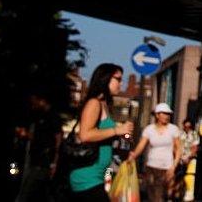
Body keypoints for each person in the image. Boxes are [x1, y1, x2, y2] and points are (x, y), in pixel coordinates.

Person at [67, 63, 135, 201]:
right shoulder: (94, 103)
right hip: (87, 177)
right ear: (105, 78)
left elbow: (102, 137)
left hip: (97, 177)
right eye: (118, 79)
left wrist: (122, 141)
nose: (121, 84)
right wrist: (117, 130)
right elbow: (85, 135)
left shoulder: (104, 105)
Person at [127, 103, 181, 202]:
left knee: (166, 195)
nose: (166, 116)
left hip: (167, 168)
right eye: (164, 113)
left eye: (168, 114)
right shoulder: (149, 129)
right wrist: (133, 155)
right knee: (153, 196)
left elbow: (178, 149)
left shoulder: (173, 129)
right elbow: (141, 145)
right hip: (151, 167)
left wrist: (174, 166)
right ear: (157, 115)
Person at [178, 118, 199, 201]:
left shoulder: (194, 134)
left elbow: (195, 147)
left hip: (191, 158)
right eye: (185, 126)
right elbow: (177, 145)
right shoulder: (180, 134)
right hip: (180, 158)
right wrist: (180, 157)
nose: (187, 128)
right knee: (180, 177)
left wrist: (188, 157)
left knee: (190, 177)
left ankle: (189, 194)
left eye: (188, 126)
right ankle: (179, 193)